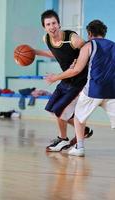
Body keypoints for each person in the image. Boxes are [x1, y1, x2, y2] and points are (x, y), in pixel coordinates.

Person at [46, 19, 115, 156]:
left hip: (93, 90)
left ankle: (80, 147)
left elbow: (76, 70)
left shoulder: (88, 46)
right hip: (112, 91)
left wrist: (55, 77)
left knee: (78, 117)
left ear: (89, 33)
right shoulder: (113, 45)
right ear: (104, 33)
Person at [34, 10, 93, 152]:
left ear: (59, 24)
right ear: (44, 27)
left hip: (80, 80)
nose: (52, 26)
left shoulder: (73, 39)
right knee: (53, 108)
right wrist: (35, 52)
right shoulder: (46, 39)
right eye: (48, 24)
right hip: (66, 78)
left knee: (60, 110)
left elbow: (90, 50)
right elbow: (55, 53)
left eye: (54, 23)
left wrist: (78, 62)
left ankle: (63, 139)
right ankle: (82, 131)